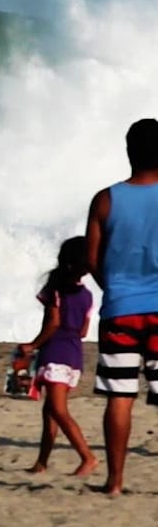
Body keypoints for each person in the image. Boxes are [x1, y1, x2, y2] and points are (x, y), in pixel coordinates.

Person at [88, 117, 158, 495]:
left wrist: (115, 289)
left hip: (120, 310)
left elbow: (92, 258)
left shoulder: (106, 199)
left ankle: (114, 482)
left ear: (129, 151)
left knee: (120, 397)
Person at [18, 236, 98, 476]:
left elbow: (53, 323)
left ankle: (87, 457)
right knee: (50, 412)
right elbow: (83, 331)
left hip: (56, 353)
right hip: (74, 355)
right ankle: (41, 462)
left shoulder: (55, 290)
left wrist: (32, 345)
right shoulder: (87, 296)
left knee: (58, 410)